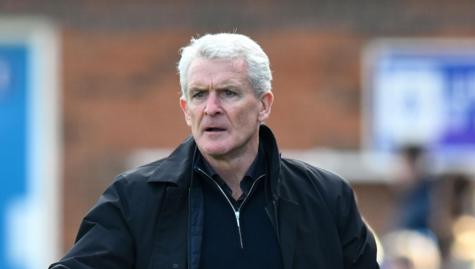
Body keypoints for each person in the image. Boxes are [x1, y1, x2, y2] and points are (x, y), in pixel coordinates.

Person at [50, 33, 379, 269]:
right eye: (198, 95)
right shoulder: (136, 198)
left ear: (264, 105)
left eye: (229, 93)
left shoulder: (325, 196)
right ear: (185, 109)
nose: (211, 108)